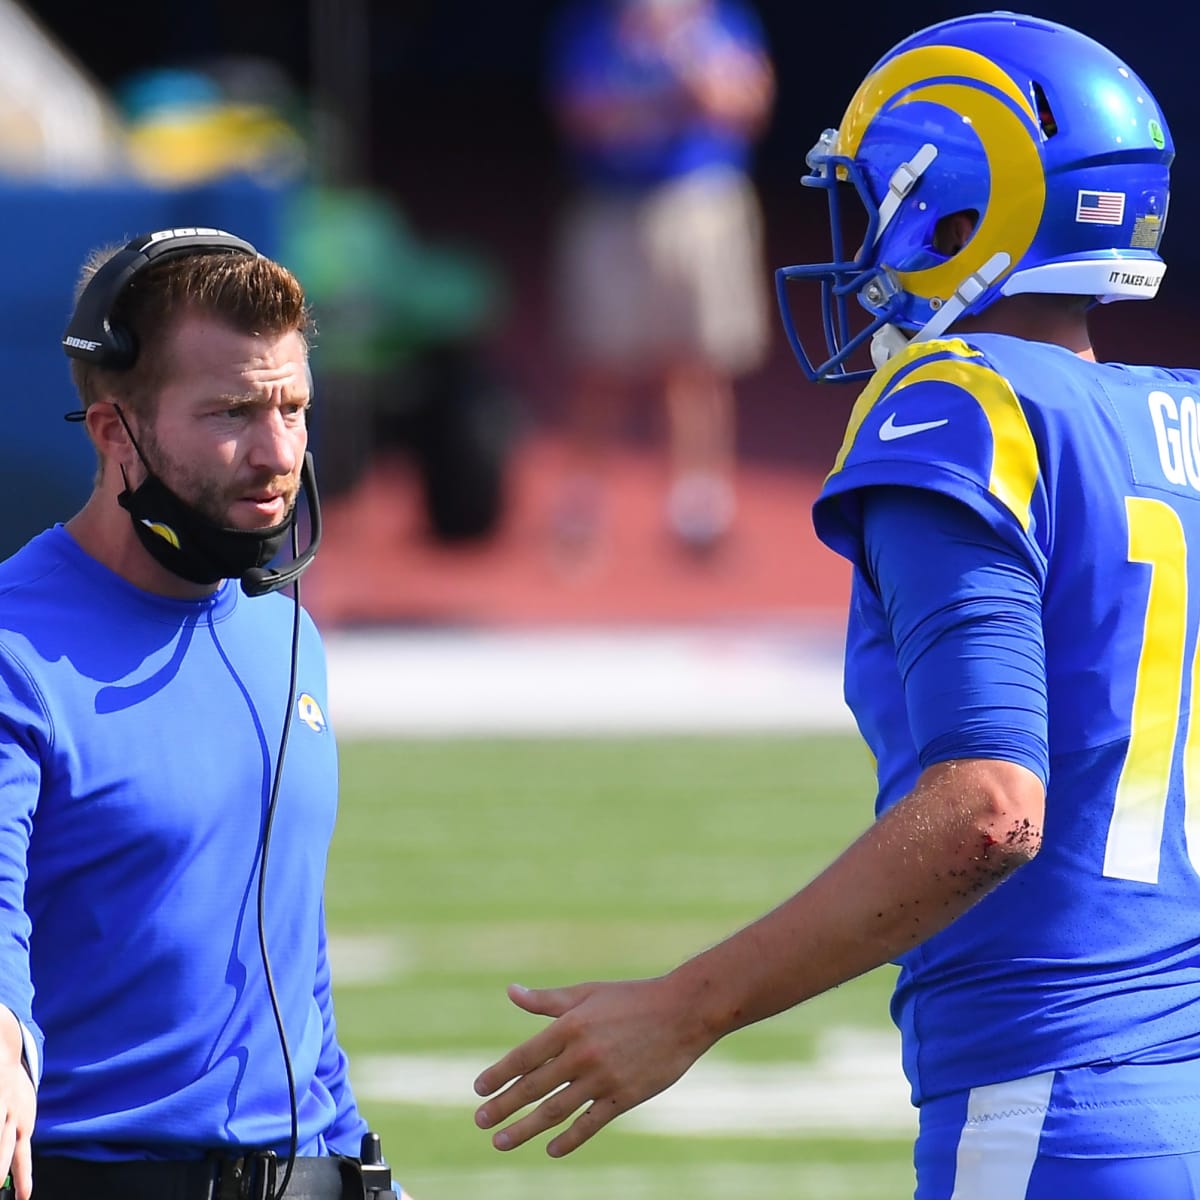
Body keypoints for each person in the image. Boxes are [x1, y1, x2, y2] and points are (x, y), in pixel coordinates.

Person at [474, 13, 1200, 1198]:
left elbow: (989, 809)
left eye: (877, 201)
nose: (862, 241)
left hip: (1057, 1099)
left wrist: (686, 1008)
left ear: (960, 214)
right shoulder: (1179, 420)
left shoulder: (967, 404)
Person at [0, 229, 407, 1200]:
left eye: (293, 407)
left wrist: (362, 1167)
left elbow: (293, 972)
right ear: (113, 432)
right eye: (231, 411)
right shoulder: (15, 649)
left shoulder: (287, 636)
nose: (277, 454)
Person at [546, 0, 774, 558]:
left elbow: (745, 102)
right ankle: (583, 502)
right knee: (601, 366)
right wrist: (658, 95)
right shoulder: (597, 27)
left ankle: (700, 509)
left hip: (700, 202)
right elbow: (583, 115)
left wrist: (686, 57)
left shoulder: (720, 23)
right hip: (615, 206)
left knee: (698, 364)